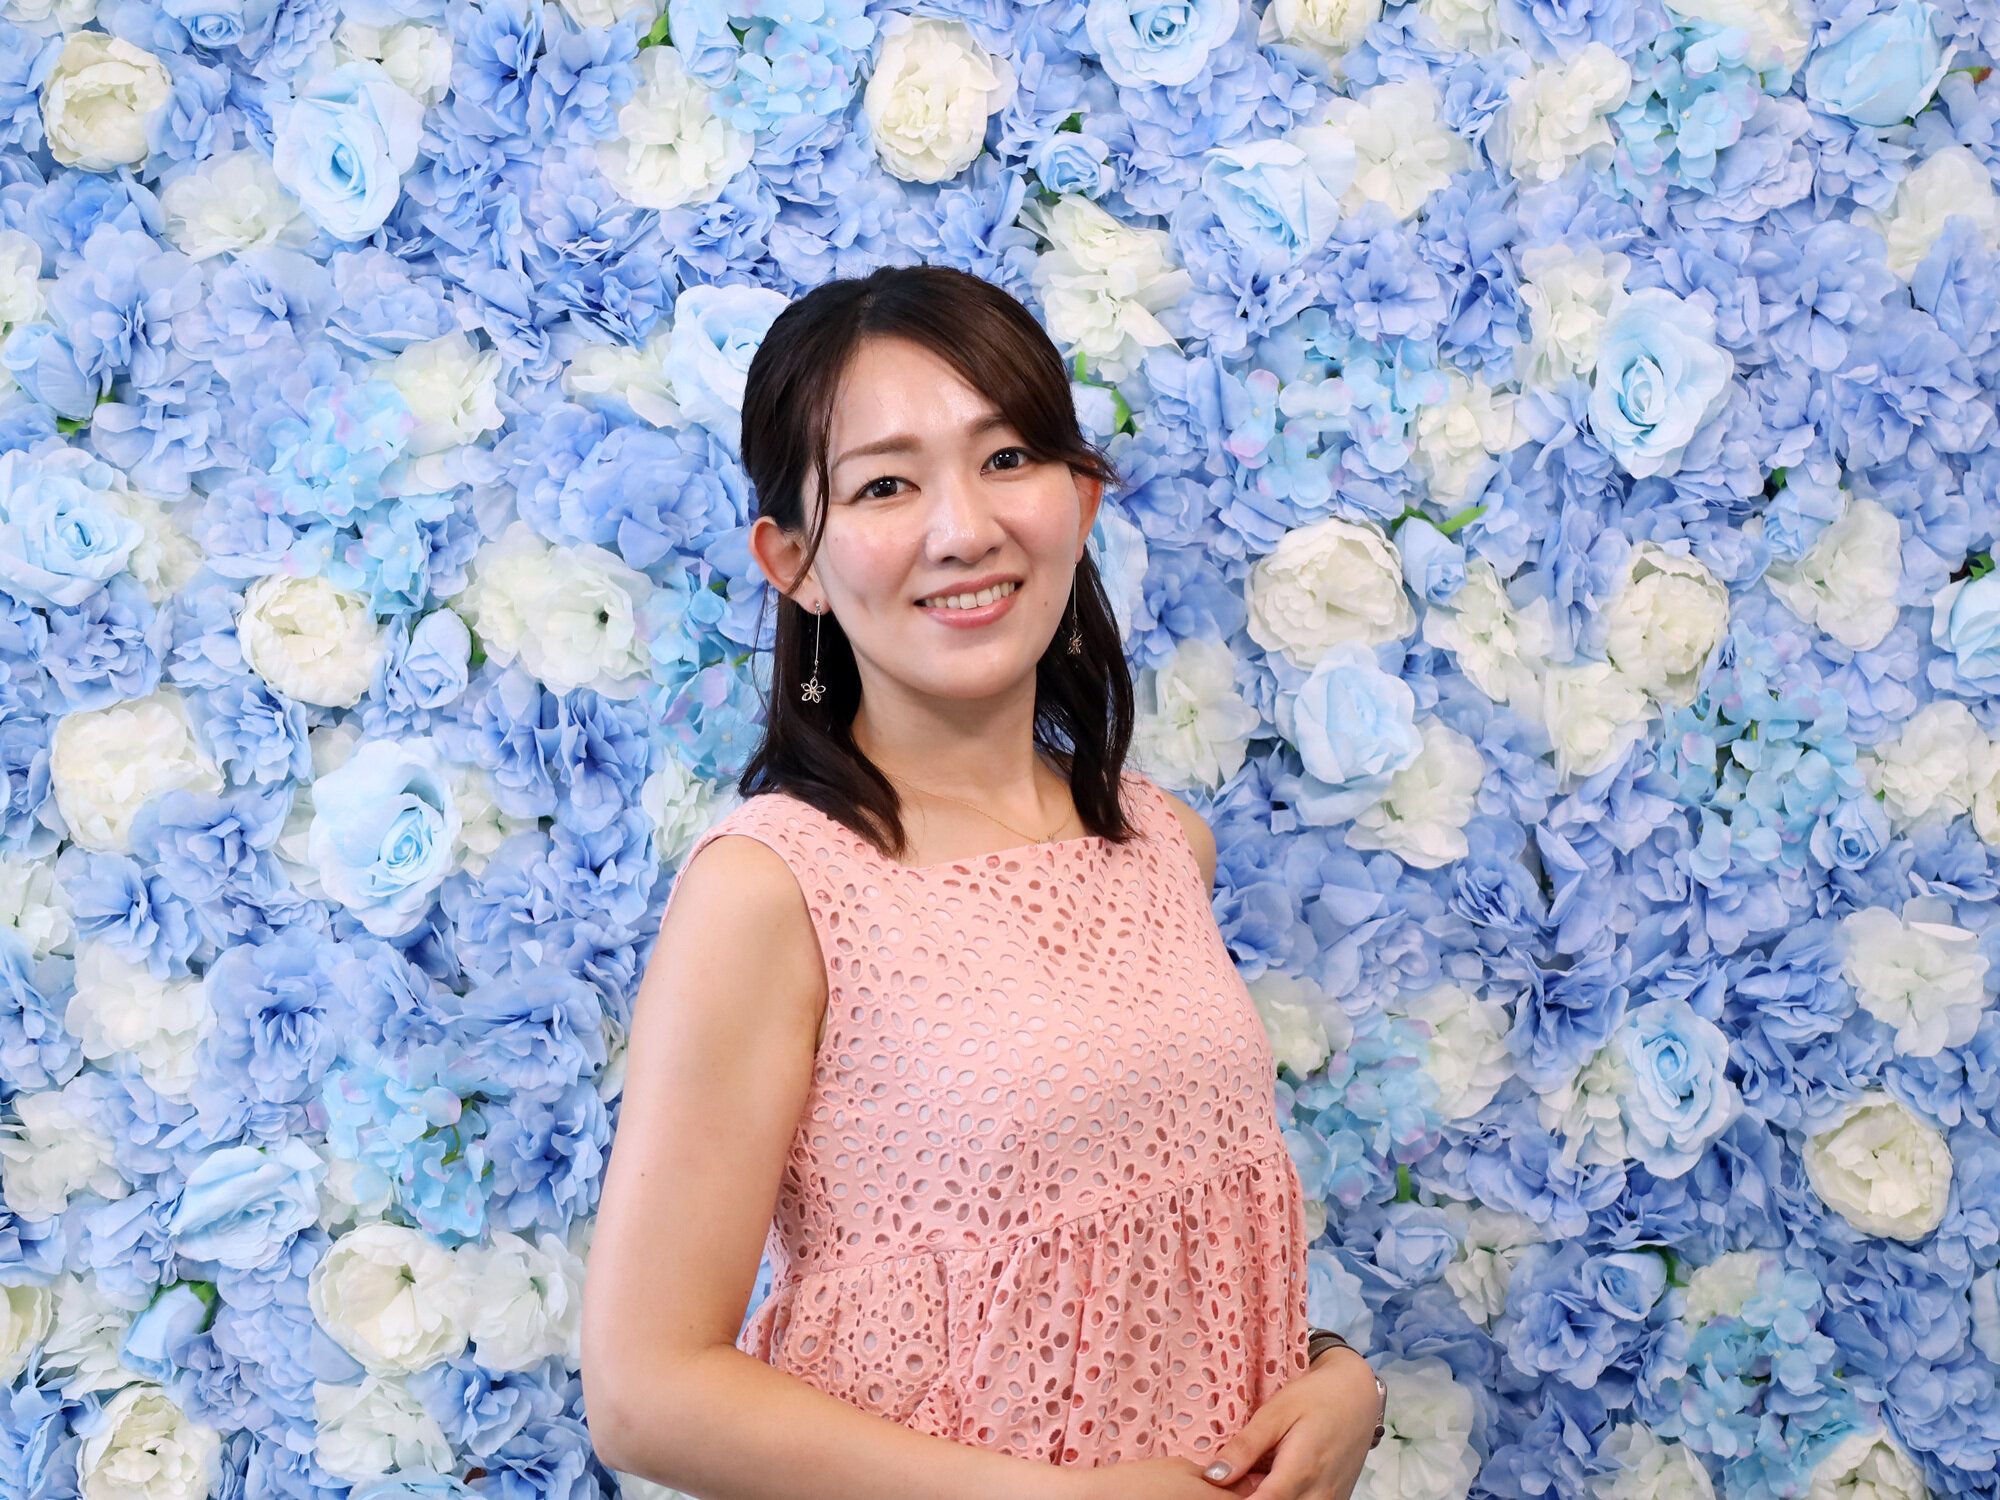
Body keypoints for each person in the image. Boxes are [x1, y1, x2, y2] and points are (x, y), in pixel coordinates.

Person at [581, 264, 1386, 1500]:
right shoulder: (776, 889)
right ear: (793, 561)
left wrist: (1335, 1379)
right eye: (885, 485)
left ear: (1081, 498)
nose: (962, 529)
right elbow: (645, 1393)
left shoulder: (1161, 844)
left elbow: (1164, 1255)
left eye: (1006, 459)